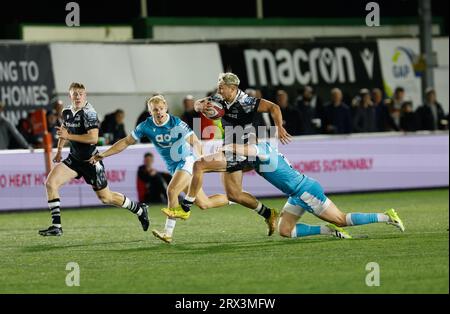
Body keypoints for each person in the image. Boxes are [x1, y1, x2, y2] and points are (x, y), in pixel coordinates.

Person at [89, 95, 229, 244]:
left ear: (166, 108)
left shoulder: (176, 123)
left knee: (172, 190)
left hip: (187, 161)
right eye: (155, 110)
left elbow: (195, 141)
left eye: (161, 108)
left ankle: (168, 233)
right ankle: (235, 198)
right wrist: (103, 154)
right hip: (175, 167)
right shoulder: (145, 126)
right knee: (204, 203)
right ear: (150, 112)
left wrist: (201, 162)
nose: (159, 112)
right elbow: (125, 142)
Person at [176, 72, 292, 236]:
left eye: (221, 88)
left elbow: (274, 107)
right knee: (234, 194)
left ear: (232, 88)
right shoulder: (220, 98)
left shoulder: (246, 102)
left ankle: (185, 207)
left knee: (199, 165)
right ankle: (268, 213)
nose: (219, 90)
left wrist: (279, 127)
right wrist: (200, 106)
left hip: (241, 151)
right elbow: (197, 104)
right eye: (218, 87)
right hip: (230, 149)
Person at [223, 141, 405, 239]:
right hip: (297, 193)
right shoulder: (258, 156)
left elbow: (245, 150)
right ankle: (328, 230)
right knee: (285, 231)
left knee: (341, 219)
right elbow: (243, 166)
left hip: (305, 191)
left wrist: (229, 146)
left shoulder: (260, 148)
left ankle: (387, 216)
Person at [38, 83, 149, 236]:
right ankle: (56, 226)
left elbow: (93, 138)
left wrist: (68, 136)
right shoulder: (66, 112)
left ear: (85, 95)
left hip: (91, 161)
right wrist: (58, 151)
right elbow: (64, 131)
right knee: (50, 183)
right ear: (69, 95)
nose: (77, 96)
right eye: (74, 93)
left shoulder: (89, 112)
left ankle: (139, 209)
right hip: (74, 160)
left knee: (106, 198)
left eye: (80, 93)